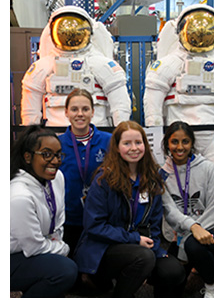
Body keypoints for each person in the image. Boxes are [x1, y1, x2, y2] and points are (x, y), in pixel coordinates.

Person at [73, 121, 185, 297]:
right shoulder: (104, 181)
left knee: (173, 270)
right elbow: (94, 226)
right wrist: (134, 239)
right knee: (143, 258)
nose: (134, 148)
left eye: (138, 142)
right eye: (127, 143)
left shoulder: (152, 179)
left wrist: (154, 246)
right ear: (117, 147)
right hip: (104, 249)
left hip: (139, 247)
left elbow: (154, 224)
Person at [144, 4, 214, 164]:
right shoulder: (168, 65)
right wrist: (157, 149)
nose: (201, 32)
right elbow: (153, 111)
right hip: (179, 137)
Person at [21, 5, 131, 127]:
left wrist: (121, 132)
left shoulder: (100, 64)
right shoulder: (44, 66)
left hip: (96, 131)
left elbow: (120, 104)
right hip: (56, 133)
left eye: (77, 27)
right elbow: (30, 109)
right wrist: (29, 135)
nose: (70, 33)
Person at [160, 121, 214, 298]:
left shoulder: (207, 168)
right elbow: (169, 210)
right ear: (167, 144)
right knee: (166, 287)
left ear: (192, 143)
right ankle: (200, 264)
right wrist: (191, 230)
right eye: (174, 142)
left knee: (193, 245)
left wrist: (194, 231)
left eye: (185, 141)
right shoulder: (162, 174)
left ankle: (213, 288)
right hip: (181, 236)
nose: (180, 147)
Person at [10, 125, 78, 297]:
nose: (55, 161)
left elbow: (59, 221)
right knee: (65, 270)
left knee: (63, 267)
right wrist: (62, 249)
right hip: (12, 256)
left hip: (40, 246)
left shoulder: (57, 178)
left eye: (58, 154)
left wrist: (58, 246)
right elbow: (33, 248)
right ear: (28, 157)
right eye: (46, 154)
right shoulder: (19, 196)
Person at [58, 88, 112, 257]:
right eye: (74, 109)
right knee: (71, 267)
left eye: (85, 109)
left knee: (99, 268)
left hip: (101, 218)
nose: (80, 114)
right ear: (66, 112)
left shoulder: (108, 141)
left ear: (93, 112)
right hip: (69, 219)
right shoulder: (57, 144)